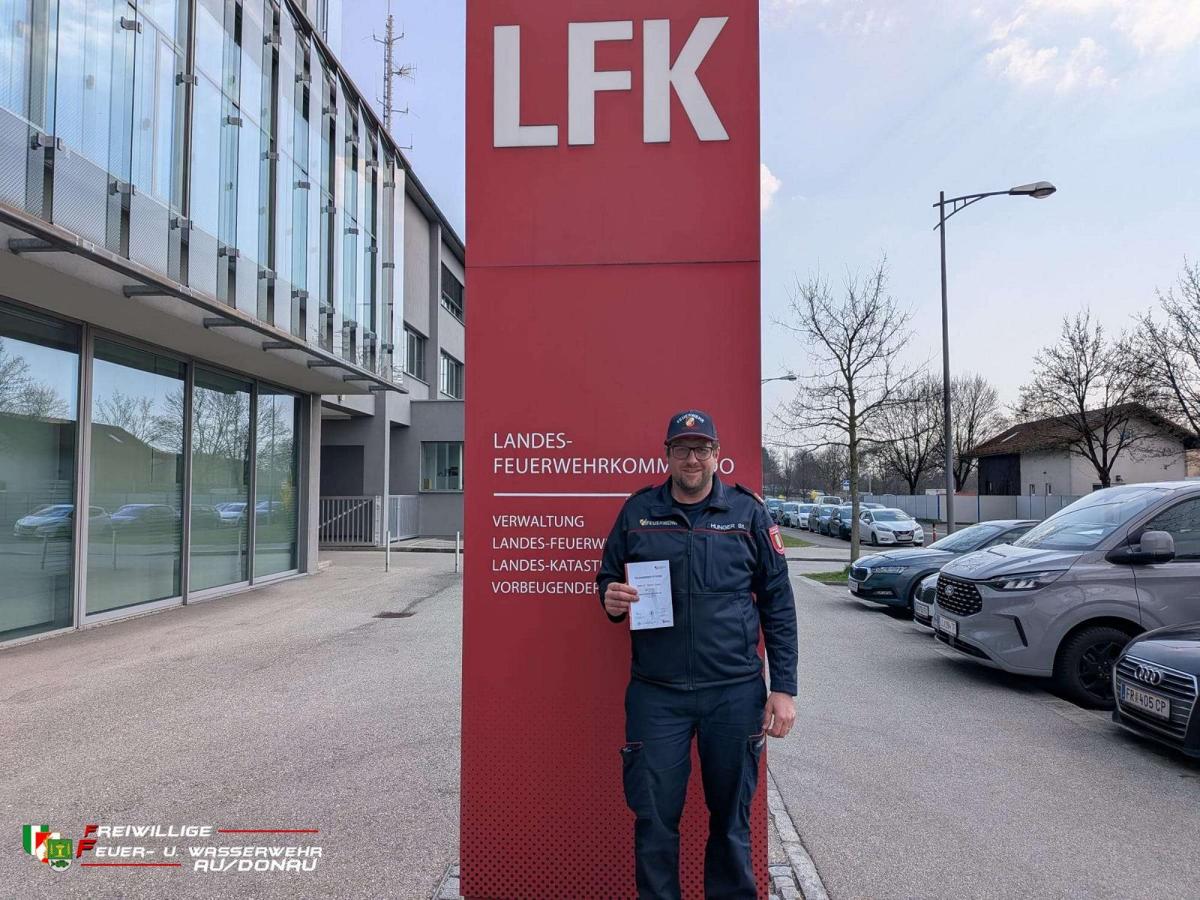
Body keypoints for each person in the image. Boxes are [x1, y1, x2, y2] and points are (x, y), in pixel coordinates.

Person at [597, 409, 798, 900]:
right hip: (657, 695)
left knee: (731, 822)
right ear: (667, 455)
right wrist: (610, 598)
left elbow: (778, 603)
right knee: (654, 820)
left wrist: (784, 689)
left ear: (717, 455)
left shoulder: (749, 514)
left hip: (734, 694)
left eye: (702, 448)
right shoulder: (637, 512)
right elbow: (608, 578)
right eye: (682, 448)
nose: (692, 458)